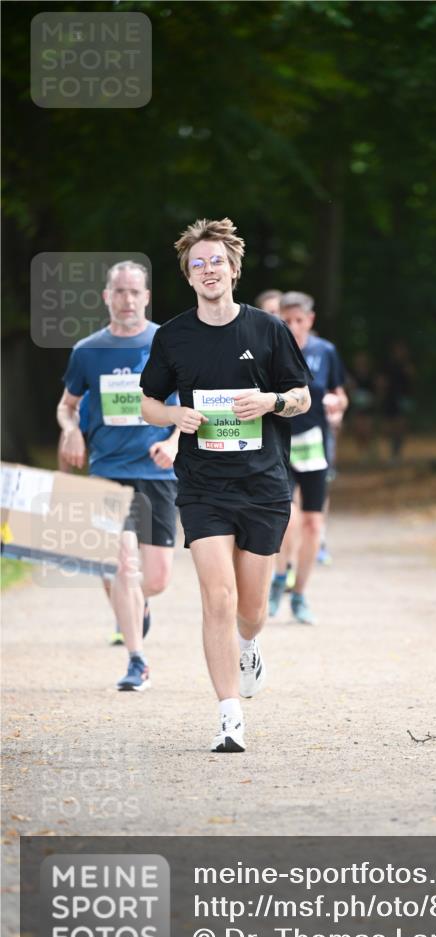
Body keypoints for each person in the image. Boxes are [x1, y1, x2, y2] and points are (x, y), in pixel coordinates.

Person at [139, 218, 311, 753]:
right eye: (198, 264)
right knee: (217, 596)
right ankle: (229, 715)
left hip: (263, 484)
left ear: (234, 269)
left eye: (217, 261)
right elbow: (148, 404)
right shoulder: (173, 336)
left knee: (251, 610)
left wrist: (270, 401)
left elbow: (301, 396)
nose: (208, 270)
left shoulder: (268, 330)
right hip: (203, 485)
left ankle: (248, 644)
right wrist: (174, 415)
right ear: (188, 276)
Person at [57, 261, 180, 688]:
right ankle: (136, 660)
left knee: (156, 579)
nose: (127, 299)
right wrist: (72, 430)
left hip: (157, 472)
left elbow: (189, 405)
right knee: (123, 563)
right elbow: (67, 406)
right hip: (107, 470)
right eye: (120, 291)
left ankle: (138, 604)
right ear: (107, 297)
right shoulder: (87, 351)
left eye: (135, 291)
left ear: (147, 297)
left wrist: (174, 442)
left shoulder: (167, 343)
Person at [268, 291, 347, 624]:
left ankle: (299, 594)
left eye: (299, 320)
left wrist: (337, 406)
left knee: (313, 522)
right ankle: (278, 577)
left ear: (310, 320)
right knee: (286, 516)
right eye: (286, 320)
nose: (293, 326)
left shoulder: (325, 351)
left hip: (314, 443)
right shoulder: (269, 351)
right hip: (278, 443)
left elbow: (340, 394)